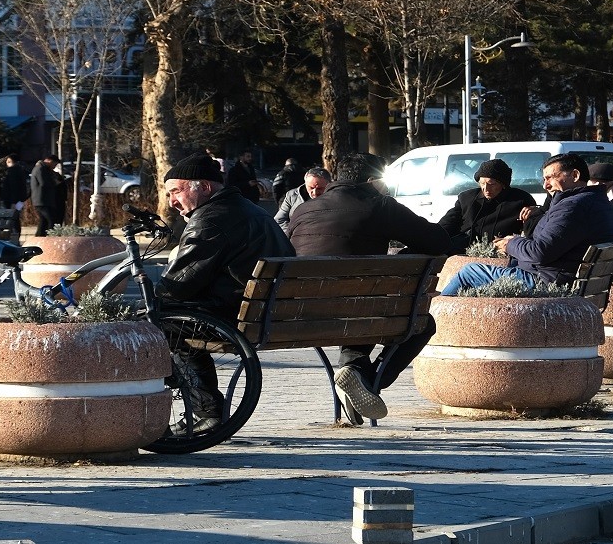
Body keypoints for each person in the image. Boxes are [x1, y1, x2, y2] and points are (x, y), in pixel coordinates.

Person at [287, 153, 452, 425]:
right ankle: (369, 379)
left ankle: (353, 372)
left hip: (299, 315)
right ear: (373, 180)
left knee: (359, 306)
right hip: (360, 311)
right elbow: (438, 240)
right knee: (421, 323)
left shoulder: (304, 210)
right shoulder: (380, 205)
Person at [156, 152, 293, 430]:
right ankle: (203, 409)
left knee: (160, 322)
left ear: (204, 187)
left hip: (236, 319)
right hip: (271, 314)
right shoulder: (251, 209)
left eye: (176, 192)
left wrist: (148, 302)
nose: (171, 202)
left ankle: (208, 412)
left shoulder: (210, 220)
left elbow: (177, 286)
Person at [441, 152, 613, 296]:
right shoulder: (595, 202)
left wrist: (510, 243)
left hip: (547, 282)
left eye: (551, 177)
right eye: (544, 179)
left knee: (470, 272)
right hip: (563, 277)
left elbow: (539, 252)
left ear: (575, 175)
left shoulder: (573, 206)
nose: (546, 185)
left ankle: (433, 320)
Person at [437, 158, 537, 249]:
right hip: (462, 251)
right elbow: (446, 224)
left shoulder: (521, 200)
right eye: (482, 183)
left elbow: (532, 232)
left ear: (503, 184)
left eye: (491, 184)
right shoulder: (466, 198)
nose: (486, 189)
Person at [274, 167, 331, 233]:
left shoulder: (335, 198)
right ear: (305, 184)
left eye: (320, 189)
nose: (315, 192)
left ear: (328, 185)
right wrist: (294, 233)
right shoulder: (292, 196)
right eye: (311, 188)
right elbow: (279, 220)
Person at [29, 154, 63, 235]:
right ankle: (50, 237)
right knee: (51, 219)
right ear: (50, 161)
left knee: (44, 221)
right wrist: (55, 183)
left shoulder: (43, 169)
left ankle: (39, 237)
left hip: (43, 200)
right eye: (54, 164)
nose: (54, 167)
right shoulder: (40, 169)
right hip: (42, 200)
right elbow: (44, 183)